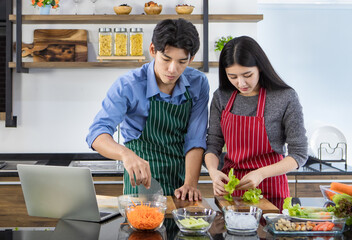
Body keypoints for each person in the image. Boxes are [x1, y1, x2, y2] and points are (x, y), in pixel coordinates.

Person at [86, 18, 209, 201]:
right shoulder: (128, 85)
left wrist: (190, 183)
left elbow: (195, 139)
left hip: (182, 181)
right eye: (166, 59)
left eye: (182, 62)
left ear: (191, 58)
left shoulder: (198, 83)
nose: (172, 69)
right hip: (142, 181)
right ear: (153, 50)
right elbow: (97, 134)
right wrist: (125, 154)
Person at [204, 36, 307, 199]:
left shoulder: (285, 97)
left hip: (270, 189)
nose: (241, 83)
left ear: (260, 67)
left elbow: (299, 154)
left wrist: (260, 173)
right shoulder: (221, 97)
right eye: (233, 77)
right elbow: (213, 144)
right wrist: (213, 172)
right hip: (231, 190)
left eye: (247, 75)